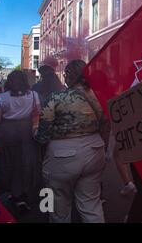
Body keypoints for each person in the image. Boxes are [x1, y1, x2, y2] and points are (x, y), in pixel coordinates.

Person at [35, 60, 106, 223]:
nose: (64, 77)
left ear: (70, 75)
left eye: (66, 74)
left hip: (62, 156)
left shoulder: (56, 97)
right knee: (91, 204)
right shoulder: (99, 97)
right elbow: (106, 123)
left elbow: (43, 135)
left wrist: (36, 136)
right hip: (95, 149)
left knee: (58, 206)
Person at [0, 71, 42, 213]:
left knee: (7, 164)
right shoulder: (33, 95)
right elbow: (38, 112)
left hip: (6, 134)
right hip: (26, 133)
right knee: (24, 163)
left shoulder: (1, 98)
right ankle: (22, 192)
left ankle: (13, 192)